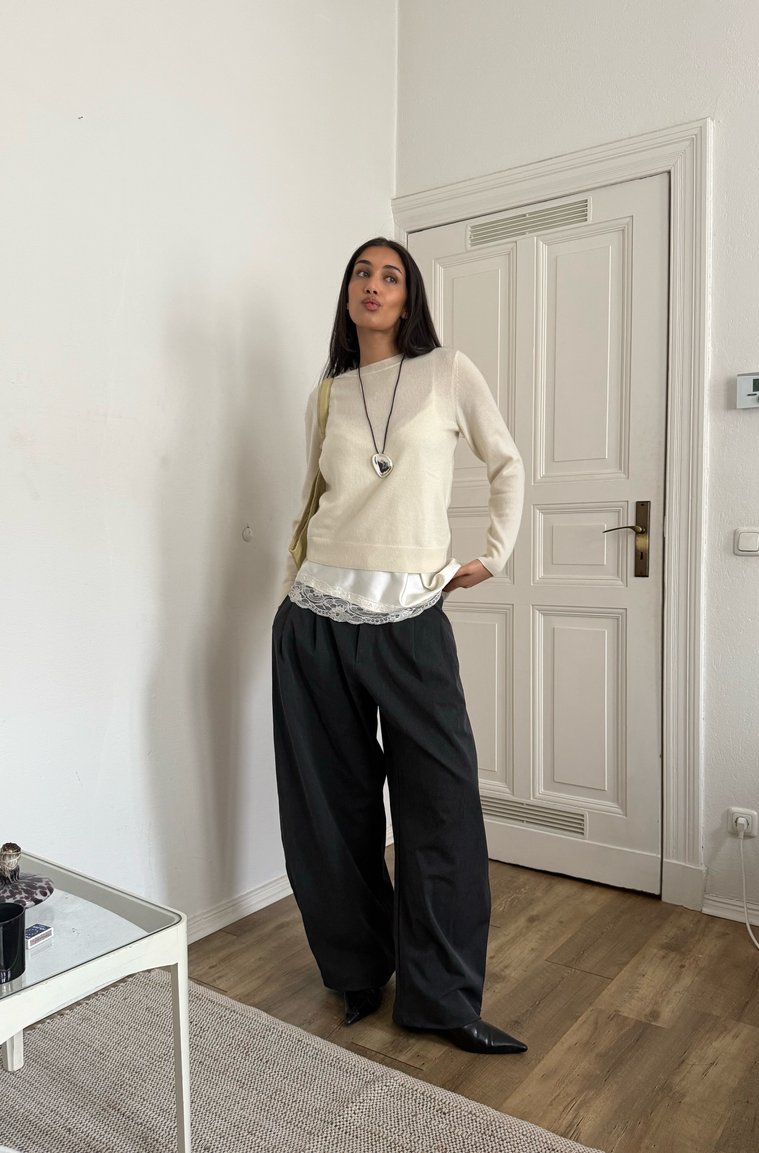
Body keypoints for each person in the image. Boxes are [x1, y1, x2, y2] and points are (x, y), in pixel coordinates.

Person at [271, 237, 526, 1054]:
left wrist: (493, 551)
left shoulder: (449, 371)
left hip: (410, 618)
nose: (374, 285)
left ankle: (443, 999)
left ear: (409, 298)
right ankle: (355, 973)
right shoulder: (329, 393)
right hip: (316, 615)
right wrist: (292, 585)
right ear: (346, 295)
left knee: (441, 809)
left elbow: (507, 463)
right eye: (361, 273)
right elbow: (315, 497)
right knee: (330, 810)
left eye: (391, 276)